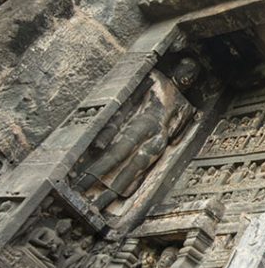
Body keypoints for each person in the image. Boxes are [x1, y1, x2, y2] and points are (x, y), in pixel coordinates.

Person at [75, 58, 200, 209]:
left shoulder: (185, 104)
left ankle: (100, 205)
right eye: (188, 70)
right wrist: (111, 130)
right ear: (176, 67)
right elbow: (130, 102)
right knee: (115, 156)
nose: (190, 76)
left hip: (159, 138)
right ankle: (80, 188)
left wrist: (192, 118)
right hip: (142, 122)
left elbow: (174, 136)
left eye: (194, 75)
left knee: (132, 172)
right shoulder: (156, 77)